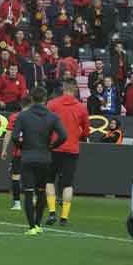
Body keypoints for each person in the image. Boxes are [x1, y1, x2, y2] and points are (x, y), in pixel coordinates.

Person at [12, 87, 68, 236]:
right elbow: (63, 135)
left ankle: (31, 226)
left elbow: (15, 136)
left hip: (28, 157)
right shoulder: (52, 116)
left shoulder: (23, 116)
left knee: (29, 193)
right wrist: (51, 146)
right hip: (45, 157)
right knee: (42, 191)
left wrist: (23, 147)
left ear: (31, 99)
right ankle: (38, 223)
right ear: (45, 99)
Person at [46, 79, 91, 226]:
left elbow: (45, 124)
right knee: (67, 184)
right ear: (75, 90)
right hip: (72, 149)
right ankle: (64, 217)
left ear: (63, 88)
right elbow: (86, 130)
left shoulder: (52, 104)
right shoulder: (81, 108)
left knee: (49, 181)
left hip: (54, 148)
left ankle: (52, 212)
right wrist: (78, 135)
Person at [1, 99, 30, 211]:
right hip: (31, 151)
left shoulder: (14, 117)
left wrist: (4, 149)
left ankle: (17, 203)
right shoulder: (35, 117)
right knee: (32, 177)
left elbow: (8, 134)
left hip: (18, 152)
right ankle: (33, 200)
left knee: (16, 177)